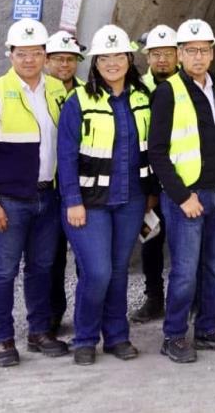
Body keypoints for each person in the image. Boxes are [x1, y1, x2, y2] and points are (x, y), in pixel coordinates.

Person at [0, 20, 71, 367]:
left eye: (36, 53)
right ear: (10, 54)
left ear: (45, 56)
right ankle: (2, 339)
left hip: (48, 196)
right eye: (21, 54)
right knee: (4, 270)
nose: (29, 60)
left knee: (42, 268)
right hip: (10, 200)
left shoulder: (57, 90)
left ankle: (39, 332)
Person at [56, 24, 158, 365]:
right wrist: (72, 200)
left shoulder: (142, 98)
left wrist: (151, 194)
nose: (113, 62)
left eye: (119, 56)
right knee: (97, 271)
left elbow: (152, 150)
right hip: (89, 203)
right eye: (105, 57)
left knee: (116, 271)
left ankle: (117, 336)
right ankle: (85, 338)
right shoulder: (79, 100)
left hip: (130, 201)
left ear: (129, 59)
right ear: (95, 63)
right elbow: (66, 155)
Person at [147, 19, 215, 363]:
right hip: (187, 198)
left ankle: (207, 329)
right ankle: (173, 335)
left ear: (213, 53)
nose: (198, 56)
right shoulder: (168, 91)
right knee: (185, 270)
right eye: (190, 50)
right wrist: (182, 196)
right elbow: (156, 151)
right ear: (180, 54)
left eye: (203, 50)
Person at [130, 23, 178, 324]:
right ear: (147, 57)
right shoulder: (138, 89)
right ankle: (154, 297)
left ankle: (185, 297)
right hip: (149, 183)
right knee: (151, 240)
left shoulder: (188, 86)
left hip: (181, 180)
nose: (162, 60)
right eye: (156, 54)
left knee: (184, 242)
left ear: (179, 55)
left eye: (168, 54)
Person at [43, 31, 83, 339]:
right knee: (51, 256)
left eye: (70, 59)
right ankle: (54, 313)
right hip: (50, 188)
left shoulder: (88, 93)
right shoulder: (38, 94)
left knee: (86, 257)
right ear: (47, 61)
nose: (64, 65)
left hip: (83, 189)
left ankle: (85, 313)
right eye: (58, 59)